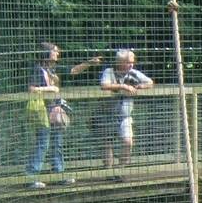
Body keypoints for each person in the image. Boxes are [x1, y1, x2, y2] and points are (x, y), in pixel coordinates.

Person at [25, 42, 101, 187]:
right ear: (46, 53)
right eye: (55, 51)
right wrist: (50, 89)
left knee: (57, 143)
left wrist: (89, 63)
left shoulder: (53, 68)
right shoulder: (37, 69)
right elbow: (32, 89)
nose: (58, 53)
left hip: (55, 111)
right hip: (42, 111)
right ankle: (31, 177)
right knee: (42, 143)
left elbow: (73, 70)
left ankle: (59, 174)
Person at [97, 49, 154, 176]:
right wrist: (123, 86)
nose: (131, 65)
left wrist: (140, 86)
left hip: (125, 116)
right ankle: (108, 172)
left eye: (132, 62)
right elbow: (104, 85)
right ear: (120, 62)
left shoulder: (133, 73)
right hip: (107, 114)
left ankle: (120, 170)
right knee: (107, 143)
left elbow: (150, 82)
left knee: (128, 142)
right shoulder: (109, 71)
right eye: (128, 62)